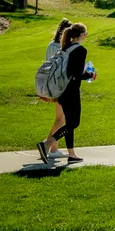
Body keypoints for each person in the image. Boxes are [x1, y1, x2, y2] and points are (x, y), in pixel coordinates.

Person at [37, 23, 95, 165]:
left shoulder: (65, 48)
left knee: (69, 122)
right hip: (71, 91)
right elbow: (76, 73)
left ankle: (72, 154)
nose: (85, 37)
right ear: (81, 35)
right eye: (85, 34)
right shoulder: (81, 50)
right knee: (74, 123)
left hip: (61, 91)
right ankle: (47, 143)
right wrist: (90, 74)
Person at [43, 19, 74, 159]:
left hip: (51, 85)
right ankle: (48, 145)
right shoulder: (64, 48)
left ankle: (53, 147)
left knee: (60, 118)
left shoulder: (51, 45)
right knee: (61, 119)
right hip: (61, 86)